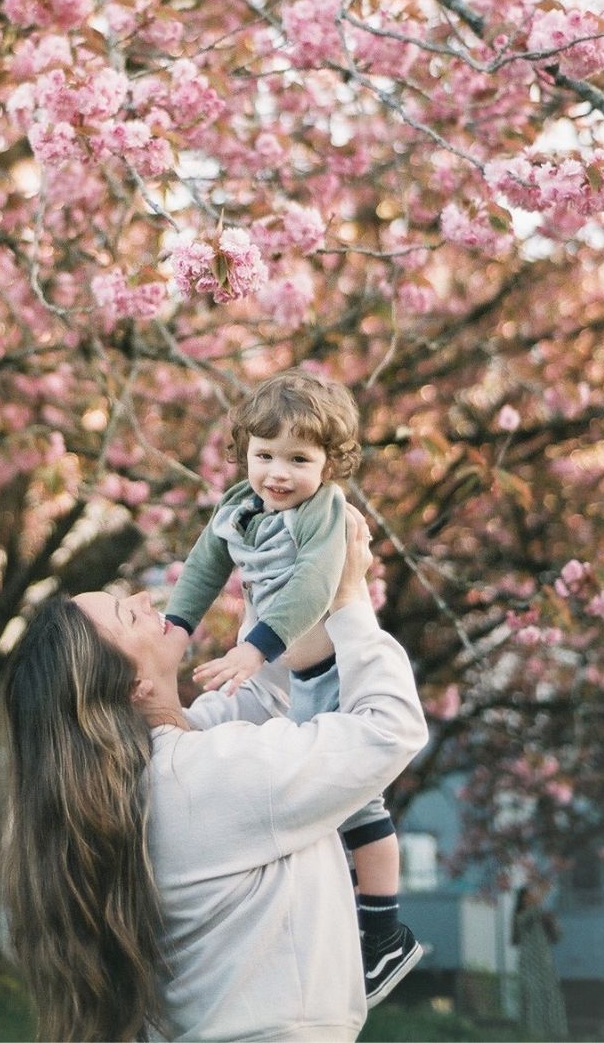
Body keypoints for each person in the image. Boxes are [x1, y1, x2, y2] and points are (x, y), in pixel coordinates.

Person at [2, 506, 428, 1042]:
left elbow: (261, 694)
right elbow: (390, 729)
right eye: (127, 615)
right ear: (133, 686)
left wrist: (274, 568)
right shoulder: (202, 778)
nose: (142, 599)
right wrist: (347, 598)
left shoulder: (155, 775)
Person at [164, 368, 422, 1006]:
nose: (277, 473)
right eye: (264, 455)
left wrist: (254, 649)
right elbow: (203, 566)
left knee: (361, 805)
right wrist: (176, 628)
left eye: (299, 459)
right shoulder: (239, 508)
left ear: (331, 466)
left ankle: (385, 931)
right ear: (244, 453)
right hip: (283, 671)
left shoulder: (324, 513)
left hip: (324, 667)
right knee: (304, 784)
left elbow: (312, 587)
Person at [512, 880, 569, 1040]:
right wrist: (544, 893)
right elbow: (533, 912)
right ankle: (534, 1034)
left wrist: (554, 923)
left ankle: (556, 1034)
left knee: (552, 996)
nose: (534, 898)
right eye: (530, 896)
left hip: (545, 963)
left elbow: (557, 937)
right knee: (534, 997)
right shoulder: (521, 916)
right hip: (530, 963)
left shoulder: (541, 917)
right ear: (523, 899)